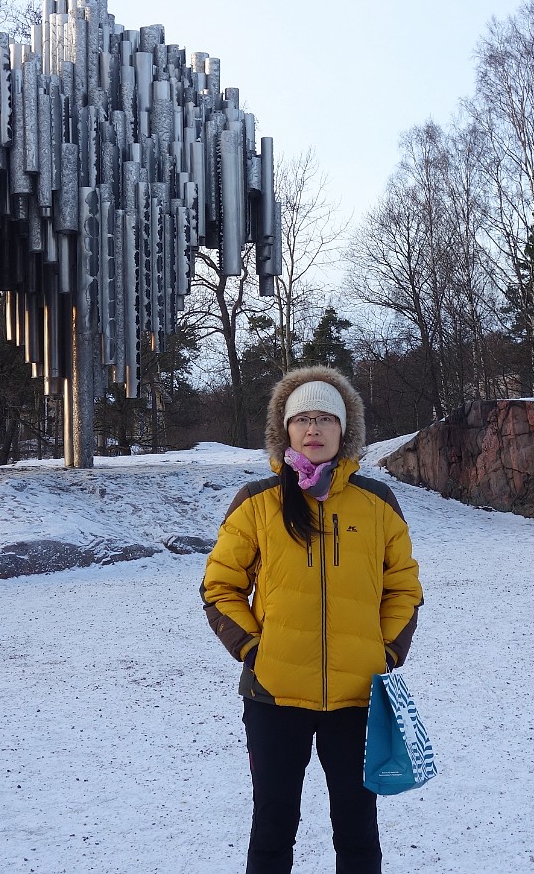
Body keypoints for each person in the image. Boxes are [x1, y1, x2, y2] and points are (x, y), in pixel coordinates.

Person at [201, 366, 424, 874]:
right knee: (273, 826)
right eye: (302, 419)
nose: (313, 429)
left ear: (345, 430)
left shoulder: (377, 503)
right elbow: (220, 587)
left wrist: (386, 652)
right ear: (285, 429)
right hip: (274, 697)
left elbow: (403, 588)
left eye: (326, 418)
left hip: (357, 697)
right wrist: (254, 651)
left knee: (358, 829)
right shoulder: (257, 502)